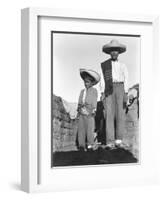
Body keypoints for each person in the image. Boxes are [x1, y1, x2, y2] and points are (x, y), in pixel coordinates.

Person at [100, 39, 129, 149]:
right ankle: (110, 141)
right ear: (109, 52)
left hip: (120, 88)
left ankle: (118, 140)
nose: (114, 53)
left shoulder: (123, 65)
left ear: (119, 52)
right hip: (109, 88)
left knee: (120, 114)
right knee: (109, 114)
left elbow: (126, 79)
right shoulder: (104, 65)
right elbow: (103, 79)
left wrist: (126, 92)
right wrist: (102, 92)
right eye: (112, 50)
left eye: (116, 50)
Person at [77, 68, 100, 151]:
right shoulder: (82, 91)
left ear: (92, 83)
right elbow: (79, 101)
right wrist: (79, 109)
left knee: (90, 129)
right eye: (85, 82)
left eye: (88, 82)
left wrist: (93, 110)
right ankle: (81, 145)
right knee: (81, 129)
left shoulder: (94, 91)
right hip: (82, 111)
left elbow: (94, 100)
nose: (86, 84)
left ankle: (90, 145)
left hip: (90, 111)